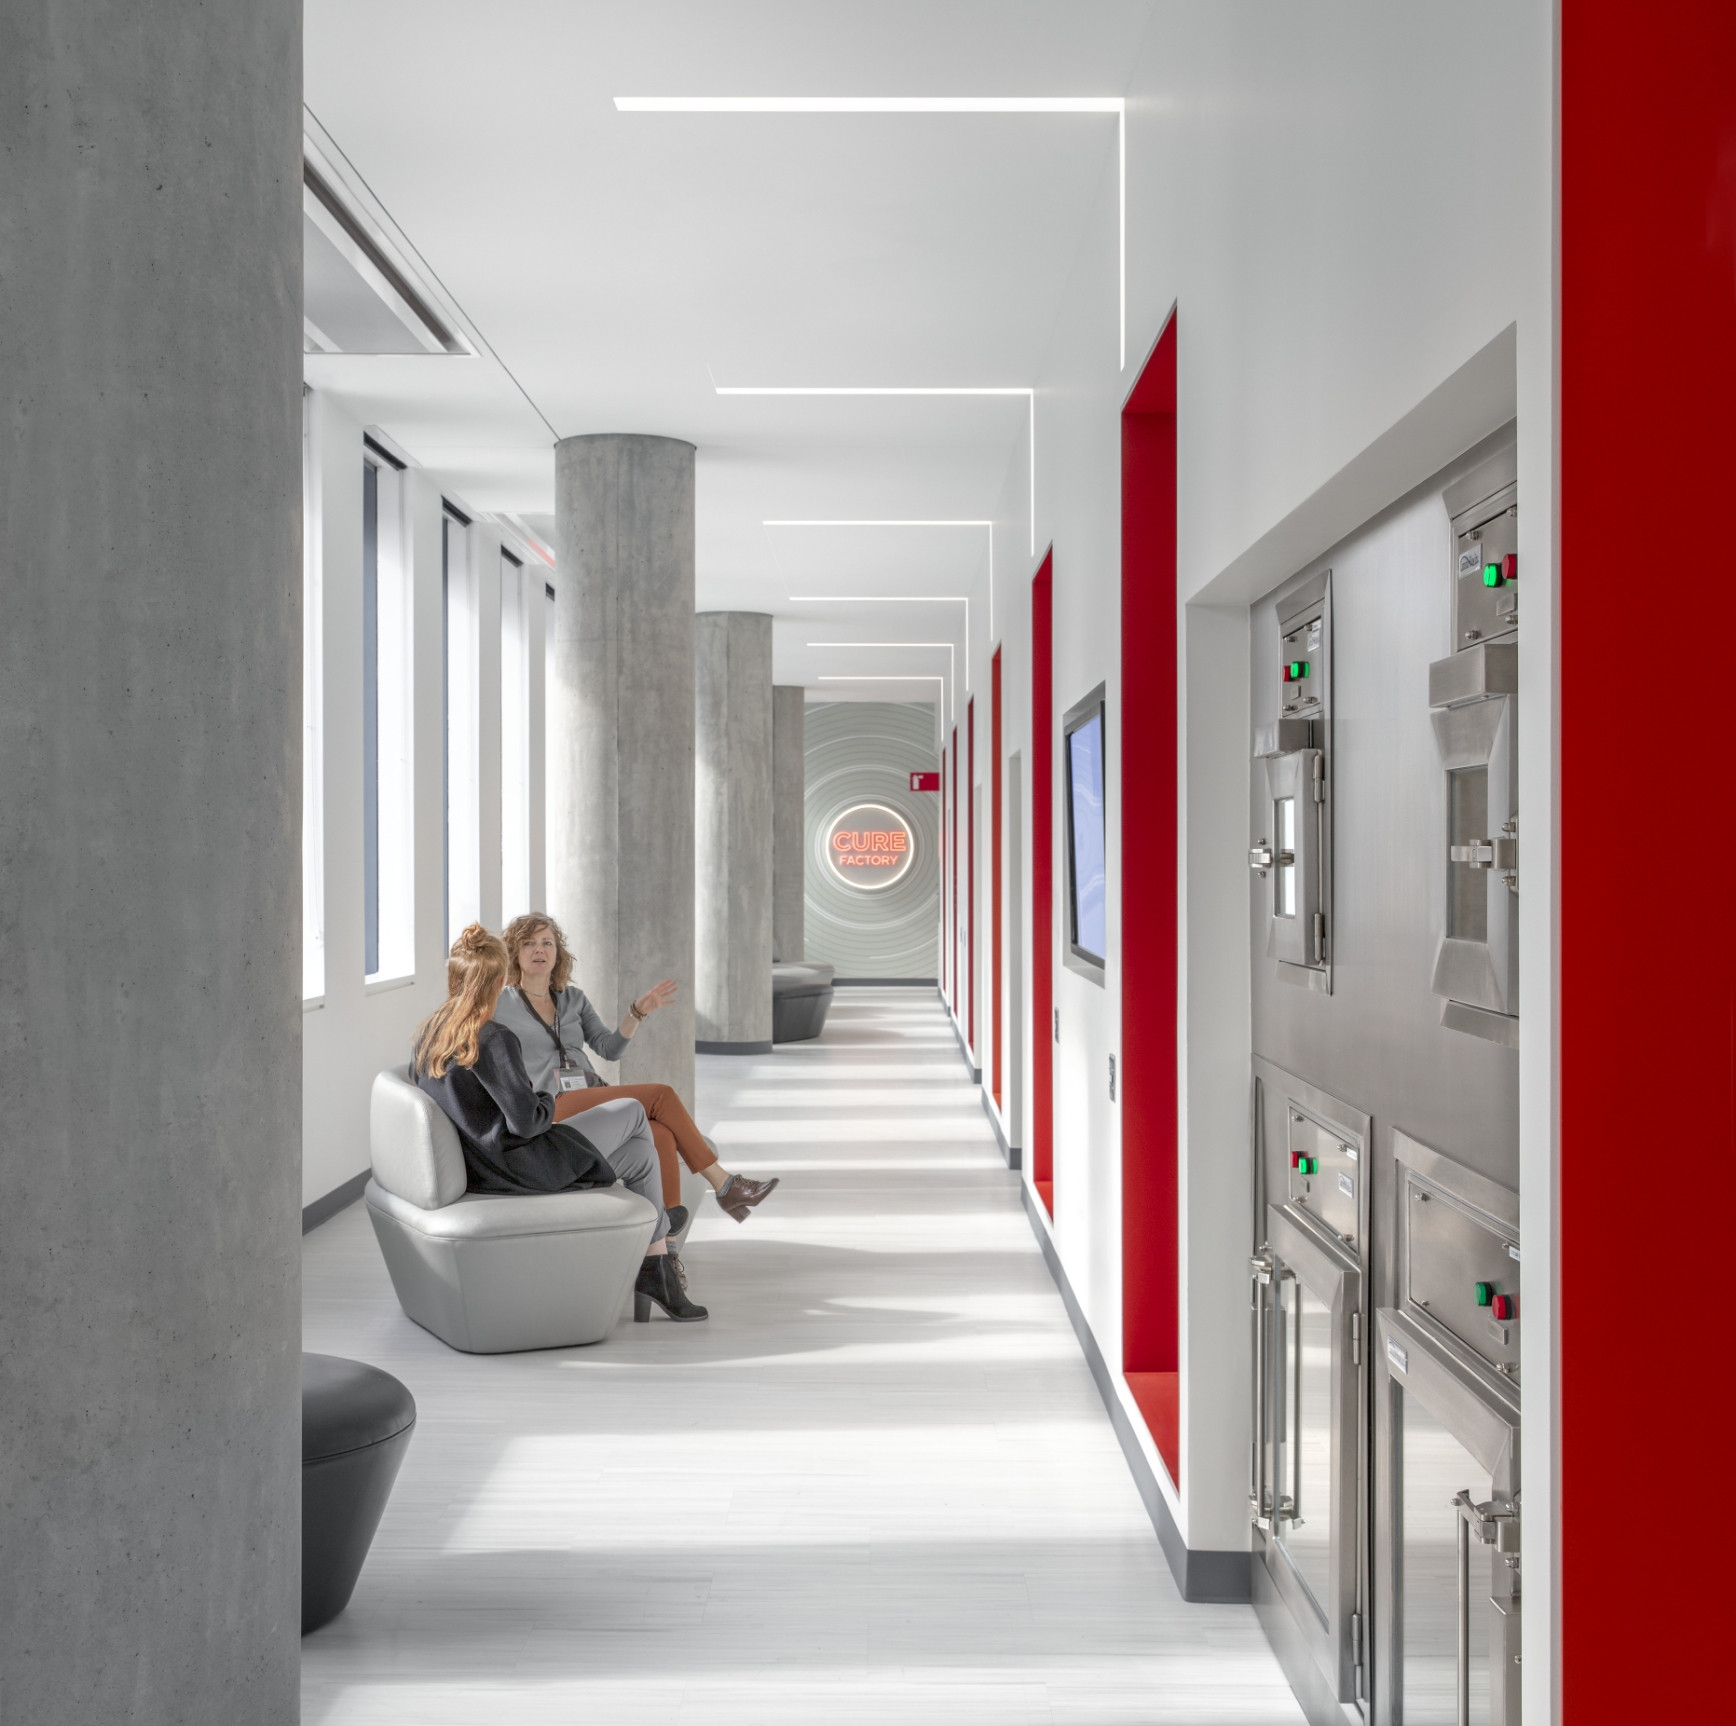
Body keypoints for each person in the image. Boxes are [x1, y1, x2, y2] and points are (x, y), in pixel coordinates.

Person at [412, 924, 706, 1323]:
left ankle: (657, 1270)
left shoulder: (432, 1033)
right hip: (522, 1165)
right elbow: (528, 1122)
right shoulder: (493, 1038)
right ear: (500, 981)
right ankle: (663, 1224)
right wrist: (549, 1097)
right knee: (635, 1111)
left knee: (639, 1152)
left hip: (487, 1164)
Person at [492, 912, 778, 1224]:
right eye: (529, 943)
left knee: (661, 1133)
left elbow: (608, 1048)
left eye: (547, 943)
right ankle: (725, 1184)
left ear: (558, 952)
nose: (539, 950)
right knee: (661, 1096)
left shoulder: (573, 998)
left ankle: (665, 1243)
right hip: (549, 1104)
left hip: (590, 1093)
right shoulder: (500, 1003)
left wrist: (637, 1012)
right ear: (514, 953)